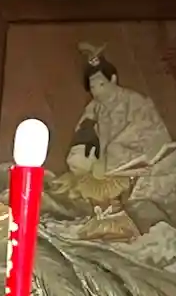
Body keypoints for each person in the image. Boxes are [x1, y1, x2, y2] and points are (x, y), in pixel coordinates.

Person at [74, 43, 176, 234]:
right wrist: (86, 137)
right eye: (93, 87)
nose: (97, 91)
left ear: (113, 79)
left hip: (141, 157)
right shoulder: (96, 106)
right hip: (113, 166)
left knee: (151, 194)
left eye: (101, 84)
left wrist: (116, 145)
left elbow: (146, 127)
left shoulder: (134, 101)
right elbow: (84, 127)